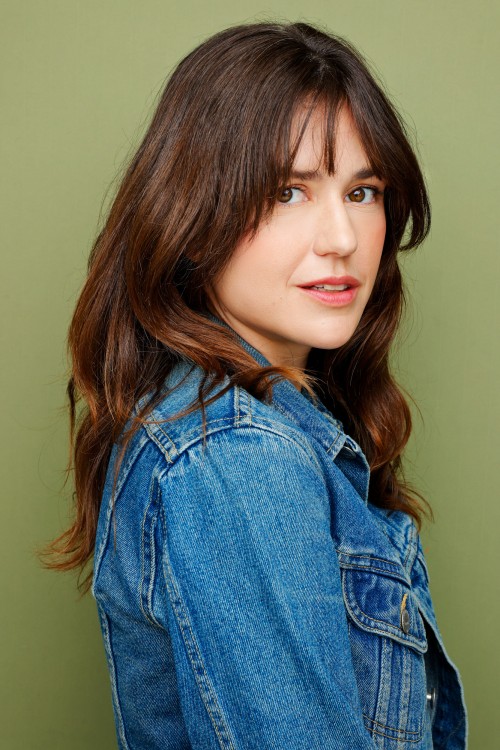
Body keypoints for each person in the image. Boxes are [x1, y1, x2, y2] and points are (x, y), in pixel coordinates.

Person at [46, 21, 467, 749]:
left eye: (362, 191)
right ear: (192, 211)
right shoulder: (238, 456)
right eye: (288, 191)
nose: (342, 238)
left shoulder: (229, 425)